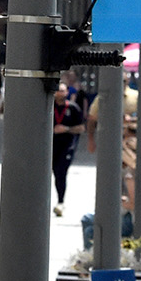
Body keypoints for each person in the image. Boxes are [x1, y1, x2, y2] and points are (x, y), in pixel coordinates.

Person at [51, 83, 85, 216]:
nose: (60, 93)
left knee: (61, 171)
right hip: (52, 145)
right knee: (54, 171)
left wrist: (66, 129)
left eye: (62, 91)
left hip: (67, 145)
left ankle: (60, 201)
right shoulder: (49, 106)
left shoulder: (73, 108)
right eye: (58, 91)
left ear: (67, 93)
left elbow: (81, 128)